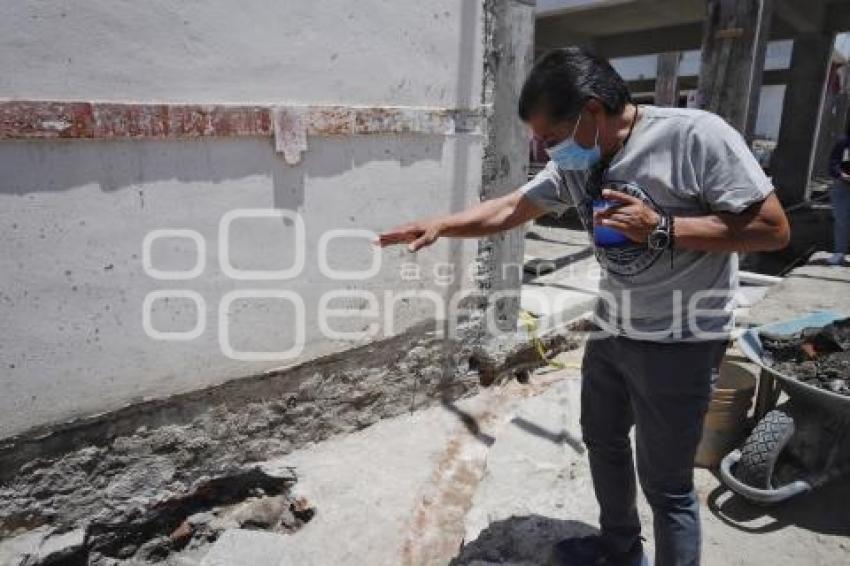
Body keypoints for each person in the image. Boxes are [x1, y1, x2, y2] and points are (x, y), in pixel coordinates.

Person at [378, 47, 790, 566]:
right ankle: (618, 547)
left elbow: (774, 229)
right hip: (611, 333)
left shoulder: (695, 137)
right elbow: (511, 207)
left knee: (667, 486)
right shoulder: (581, 160)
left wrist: (663, 228)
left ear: (593, 112)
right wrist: (442, 225)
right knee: (604, 442)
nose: (548, 152)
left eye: (551, 139)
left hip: (681, 342)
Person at [828, 134, 850, 265]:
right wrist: (842, 175)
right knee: (841, 218)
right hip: (842, 186)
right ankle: (839, 253)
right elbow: (833, 164)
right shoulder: (843, 142)